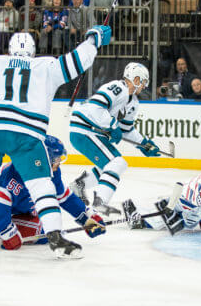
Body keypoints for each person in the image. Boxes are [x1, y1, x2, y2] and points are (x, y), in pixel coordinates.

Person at [0, 26, 110, 259]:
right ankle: (56, 237)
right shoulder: (46, 66)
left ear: (10, 50)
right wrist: (94, 39)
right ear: (33, 51)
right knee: (42, 188)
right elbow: (78, 60)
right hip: (25, 133)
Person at [68, 63, 160, 216]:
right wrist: (112, 124)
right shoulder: (118, 88)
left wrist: (144, 144)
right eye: (143, 82)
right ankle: (100, 202)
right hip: (84, 130)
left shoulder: (133, 103)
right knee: (117, 163)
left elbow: (125, 130)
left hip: (91, 132)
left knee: (111, 166)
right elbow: (95, 107)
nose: (144, 86)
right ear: (136, 79)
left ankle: (80, 184)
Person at [0, 137, 106, 250]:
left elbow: (64, 197)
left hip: (24, 210)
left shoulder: (52, 172)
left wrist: (87, 218)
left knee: (48, 230)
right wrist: (7, 233)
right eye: (56, 159)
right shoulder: (15, 174)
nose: (58, 163)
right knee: (42, 232)